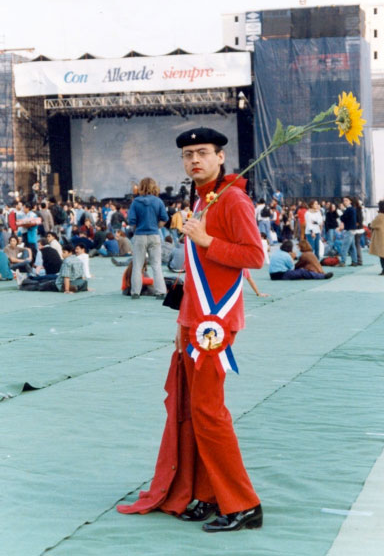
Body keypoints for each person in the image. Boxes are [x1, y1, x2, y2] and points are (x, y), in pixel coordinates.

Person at [117, 127, 264, 532]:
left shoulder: (233, 199)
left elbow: (255, 255)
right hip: (196, 320)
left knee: (209, 412)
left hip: (216, 324)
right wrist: (183, 319)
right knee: (194, 411)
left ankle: (243, 504)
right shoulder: (203, 198)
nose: (194, 160)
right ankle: (209, 493)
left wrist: (206, 239)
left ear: (220, 157)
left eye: (202, 153)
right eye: (187, 155)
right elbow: (198, 271)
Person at [128, 177, 168, 299]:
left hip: (140, 235)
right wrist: (156, 226)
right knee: (156, 265)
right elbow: (164, 219)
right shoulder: (158, 201)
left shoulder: (135, 202)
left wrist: (137, 228)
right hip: (154, 235)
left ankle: (135, 292)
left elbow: (132, 221)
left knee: (137, 265)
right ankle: (160, 292)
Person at [338, 196, 358, 267]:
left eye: (346, 200)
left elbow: (342, 218)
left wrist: (342, 212)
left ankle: (342, 262)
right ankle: (354, 261)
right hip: (352, 229)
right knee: (352, 247)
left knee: (344, 246)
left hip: (349, 230)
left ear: (350, 201)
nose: (344, 202)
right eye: (344, 200)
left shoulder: (349, 209)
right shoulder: (352, 209)